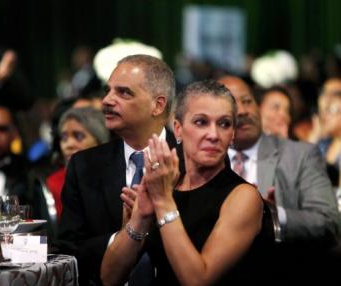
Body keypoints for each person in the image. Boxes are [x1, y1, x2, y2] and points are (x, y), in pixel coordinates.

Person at [101, 80, 266, 285]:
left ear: (232, 135)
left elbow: (198, 280)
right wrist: (140, 218)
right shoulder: (166, 184)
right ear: (178, 129)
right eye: (201, 122)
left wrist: (163, 203)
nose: (213, 135)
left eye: (224, 124)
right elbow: (109, 278)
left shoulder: (244, 197)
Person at [57, 54, 179, 285]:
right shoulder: (84, 165)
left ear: (158, 105)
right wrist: (123, 236)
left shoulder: (190, 162)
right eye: (108, 90)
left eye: (124, 93)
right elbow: (68, 250)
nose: (107, 100)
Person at [219, 75, 341, 283]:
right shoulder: (199, 159)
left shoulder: (299, 155)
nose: (243, 110)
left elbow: (330, 223)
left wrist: (274, 216)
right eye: (232, 104)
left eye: (248, 101)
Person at [46, 107, 109, 218]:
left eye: (78, 136)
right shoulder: (53, 184)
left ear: (100, 141)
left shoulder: (117, 178)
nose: (68, 144)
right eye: (64, 137)